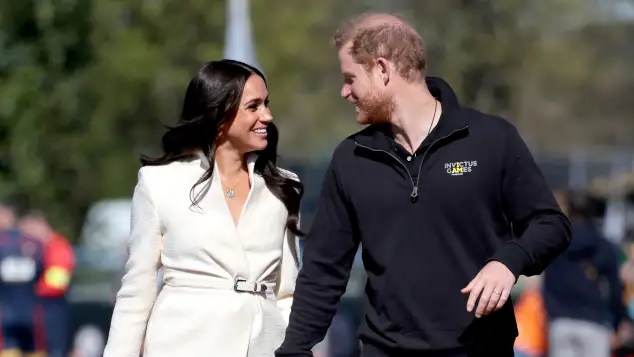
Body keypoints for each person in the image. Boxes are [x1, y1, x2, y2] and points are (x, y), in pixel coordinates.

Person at [275, 12, 571, 357]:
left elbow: (551, 225)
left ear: (383, 70)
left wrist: (508, 261)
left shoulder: (491, 139)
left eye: (350, 78)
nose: (345, 92)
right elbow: (323, 271)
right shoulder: (350, 159)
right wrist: (293, 350)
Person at [102, 59, 303, 357]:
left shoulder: (284, 187)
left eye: (267, 104)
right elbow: (136, 292)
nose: (268, 116)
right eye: (254, 106)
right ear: (219, 114)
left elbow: (287, 291)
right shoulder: (159, 183)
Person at [543, 189, 629, 357]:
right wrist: (618, 320)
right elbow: (615, 288)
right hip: (595, 322)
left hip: (561, 320)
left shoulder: (555, 244)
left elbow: (546, 282)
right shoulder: (604, 246)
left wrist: (551, 311)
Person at [19, 211, 75, 357]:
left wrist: (32, 288)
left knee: (54, 349)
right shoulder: (35, 249)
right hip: (35, 306)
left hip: (51, 305)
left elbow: (57, 283)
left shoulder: (58, 247)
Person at [0, 204, 47, 357]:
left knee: (9, 345)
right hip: (32, 309)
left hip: (6, 308)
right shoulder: (33, 242)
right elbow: (42, 269)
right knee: (32, 346)